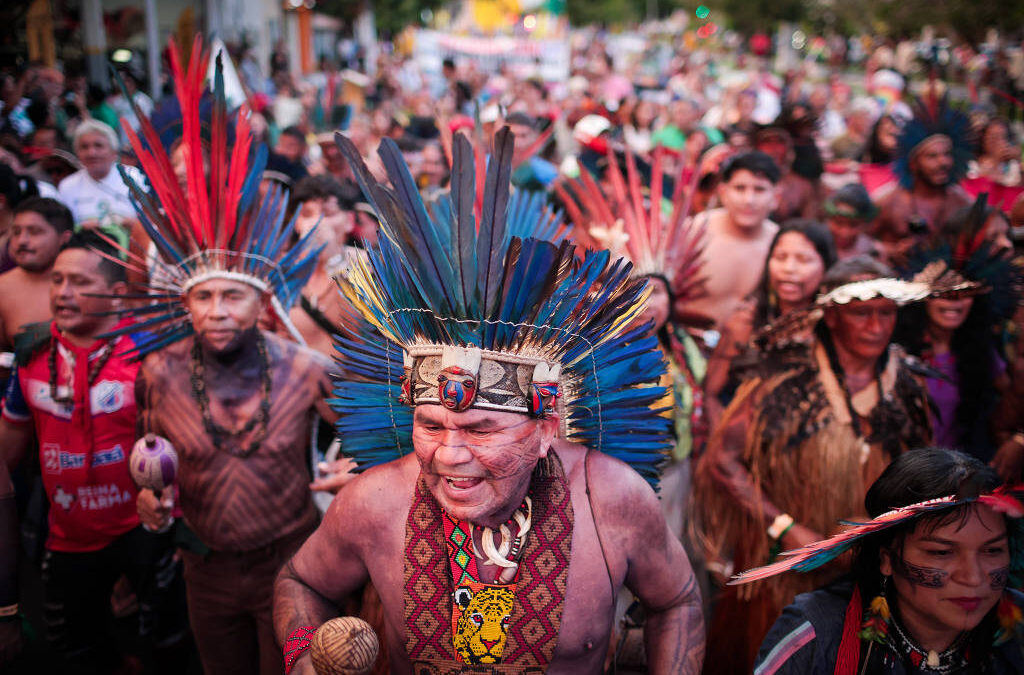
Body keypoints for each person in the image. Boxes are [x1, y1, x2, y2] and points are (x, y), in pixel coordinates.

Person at [274, 128, 705, 674]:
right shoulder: (373, 501)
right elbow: (300, 581)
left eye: (480, 430)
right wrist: (299, 659)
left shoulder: (612, 498)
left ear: (547, 427)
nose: (449, 454)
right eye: (431, 425)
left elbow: (678, 600)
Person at [109, 39, 349, 675]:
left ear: (262, 300)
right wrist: (150, 505)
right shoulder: (159, 373)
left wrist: (353, 473)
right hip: (204, 570)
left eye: (233, 297)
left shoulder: (303, 368)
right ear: (184, 305)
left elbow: (366, 437)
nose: (218, 310)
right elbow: (148, 461)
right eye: (205, 297)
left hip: (293, 566)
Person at [691, 258, 934, 674]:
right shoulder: (783, 378)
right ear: (833, 316)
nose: (877, 326)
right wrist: (786, 528)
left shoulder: (906, 381)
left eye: (886, 313)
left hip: (870, 568)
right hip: (785, 567)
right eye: (862, 313)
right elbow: (723, 462)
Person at [0, 232, 190, 673]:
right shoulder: (31, 356)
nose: (64, 293)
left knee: (166, 653)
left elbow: (187, 451)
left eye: (80, 282)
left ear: (118, 294)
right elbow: (6, 461)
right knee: (80, 656)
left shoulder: (151, 356)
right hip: (66, 537)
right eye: (57, 280)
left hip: (146, 535)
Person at [748, 447, 1024, 674]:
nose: (973, 577)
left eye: (992, 551)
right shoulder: (814, 633)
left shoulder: (1019, 629)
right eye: (941, 552)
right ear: (887, 558)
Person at [704, 219, 836, 427]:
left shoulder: (835, 327)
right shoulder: (745, 321)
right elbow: (710, 394)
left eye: (803, 260)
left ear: (825, 266)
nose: (789, 268)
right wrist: (721, 438)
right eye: (780, 257)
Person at [682, 151, 780, 332]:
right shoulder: (696, 231)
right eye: (740, 188)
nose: (748, 200)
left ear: (776, 196)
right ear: (723, 192)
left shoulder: (781, 243)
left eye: (759, 189)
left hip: (749, 351)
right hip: (690, 347)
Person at [873, 99, 972, 265]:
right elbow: (858, 240)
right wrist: (891, 250)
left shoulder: (961, 202)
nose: (943, 162)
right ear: (914, 164)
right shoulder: (887, 200)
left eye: (947, 154)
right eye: (932, 156)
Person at [0, 197, 72, 355]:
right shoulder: (3, 288)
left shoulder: (89, 284)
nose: (22, 241)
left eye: (34, 232)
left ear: (64, 238)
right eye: (16, 232)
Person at [56, 119, 143, 229]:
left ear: (114, 152)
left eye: (99, 145)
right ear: (77, 153)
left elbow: (149, 222)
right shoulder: (68, 186)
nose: (91, 153)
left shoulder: (132, 177)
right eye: (84, 147)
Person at [824, 183, 882, 261]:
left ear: (865, 225)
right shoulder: (813, 246)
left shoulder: (874, 252)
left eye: (853, 225)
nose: (845, 233)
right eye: (838, 223)